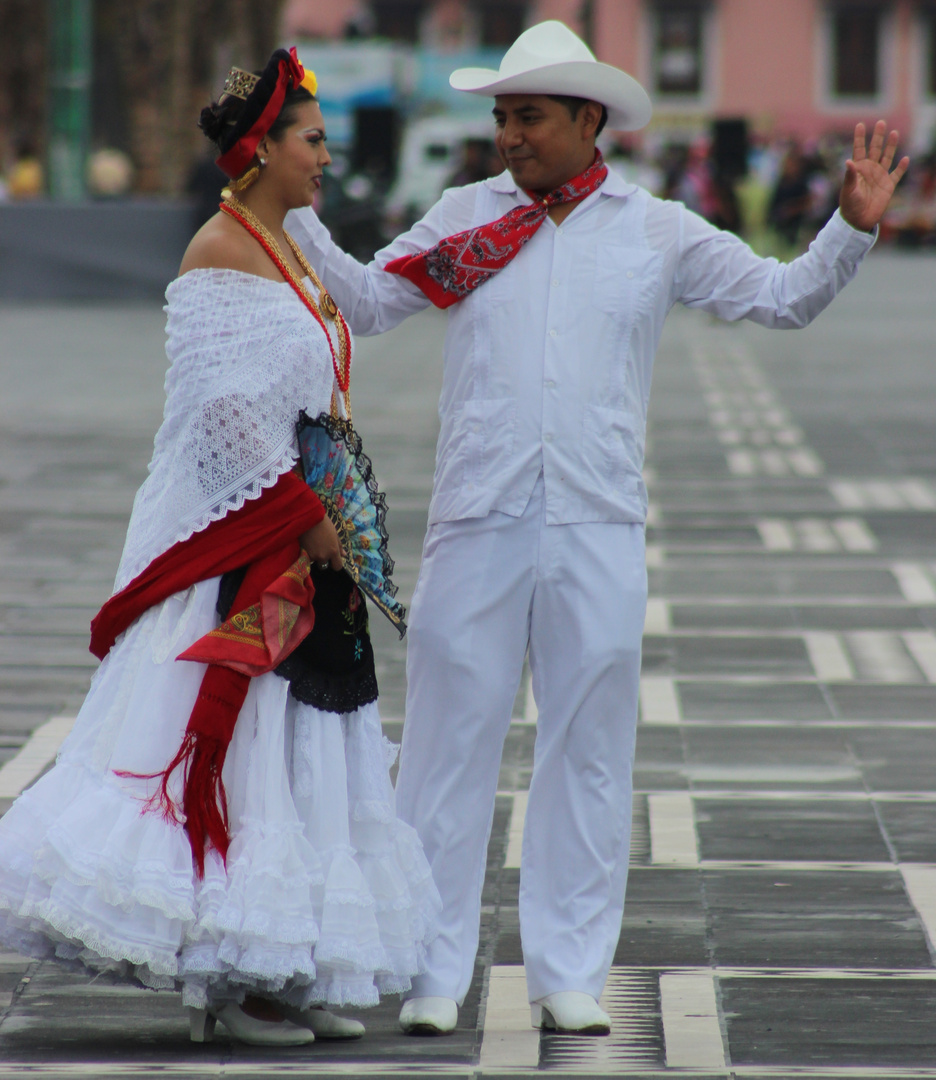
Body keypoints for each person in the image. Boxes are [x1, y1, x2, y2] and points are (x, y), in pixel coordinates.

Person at [286, 20, 909, 1037]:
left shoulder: (654, 228)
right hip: (479, 516)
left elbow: (782, 299)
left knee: (588, 752)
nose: (509, 136)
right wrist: (297, 214)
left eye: (527, 117)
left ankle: (567, 968)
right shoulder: (462, 216)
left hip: (598, 520)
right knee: (444, 751)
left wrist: (849, 229)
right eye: (501, 117)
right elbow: (364, 301)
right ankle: (433, 966)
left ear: (588, 120)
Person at [0, 49, 439, 1047]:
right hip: (251, 535)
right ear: (262, 149)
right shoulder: (217, 251)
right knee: (246, 743)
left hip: (304, 526)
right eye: (313, 141)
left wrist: (472, 239)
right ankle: (230, 983)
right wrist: (306, 513)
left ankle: (298, 964)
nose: (327, 159)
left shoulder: (298, 239)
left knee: (311, 743)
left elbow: (361, 306)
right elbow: (221, 414)